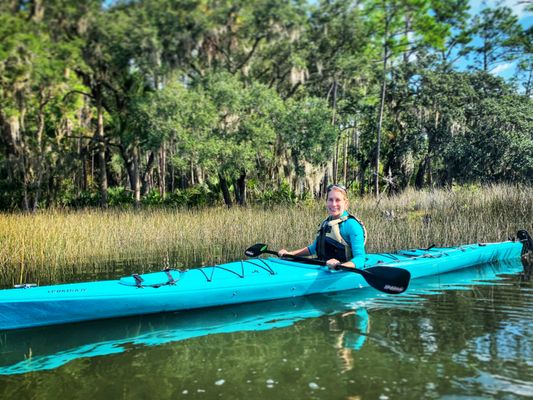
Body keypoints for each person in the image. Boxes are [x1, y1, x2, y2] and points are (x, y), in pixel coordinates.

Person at [278, 184, 366, 270]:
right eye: (330, 200)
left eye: (338, 200)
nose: (333, 204)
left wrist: (339, 266)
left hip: (341, 270)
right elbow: (313, 249)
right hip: (324, 267)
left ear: (346, 203)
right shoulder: (326, 222)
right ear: (326, 202)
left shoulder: (352, 225)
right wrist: (289, 254)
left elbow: (360, 259)